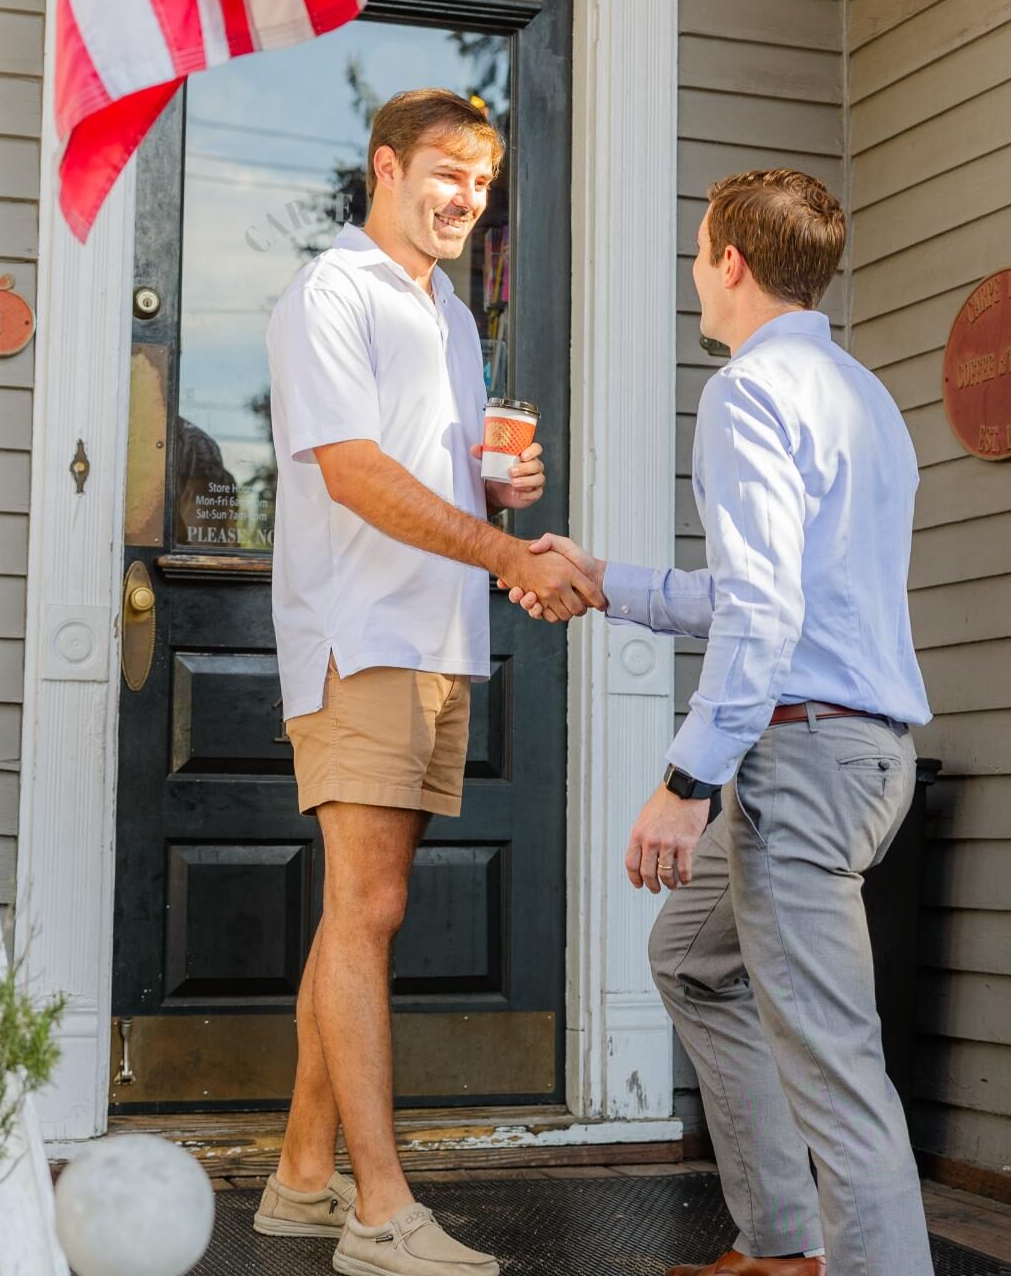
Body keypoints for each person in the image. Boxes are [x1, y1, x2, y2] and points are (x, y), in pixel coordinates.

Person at [510, 169, 934, 1276]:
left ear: (730, 264)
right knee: (693, 959)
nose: (695, 272)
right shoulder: (862, 397)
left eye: (699, 253)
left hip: (797, 757)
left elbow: (760, 612)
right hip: (854, 751)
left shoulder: (748, 393)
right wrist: (605, 580)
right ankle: (785, 1245)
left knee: (835, 1066)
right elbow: (769, 591)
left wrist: (684, 784)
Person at [254, 88, 602, 1276]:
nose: (467, 199)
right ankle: (379, 1211)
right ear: (385, 167)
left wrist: (492, 490)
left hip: (437, 635)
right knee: (367, 908)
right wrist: (503, 551)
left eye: (483, 183)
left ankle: (302, 1179)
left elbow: (415, 469)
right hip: (361, 634)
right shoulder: (332, 294)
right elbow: (350, 474)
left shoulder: (448, 312)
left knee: (365, 906)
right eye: (448, 173)